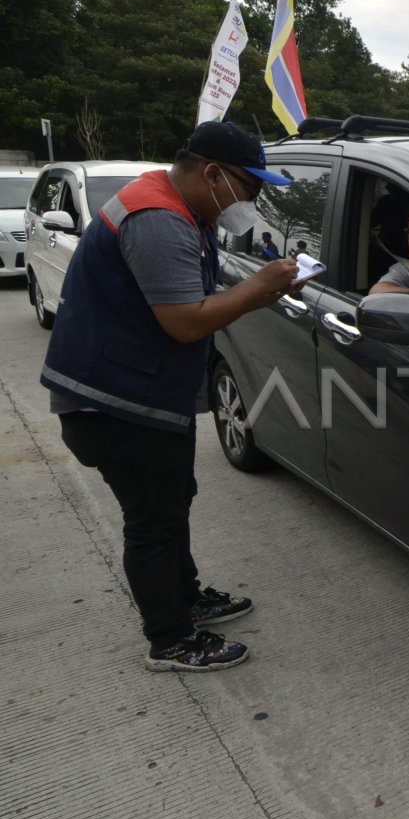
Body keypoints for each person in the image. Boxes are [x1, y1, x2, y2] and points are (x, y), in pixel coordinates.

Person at [41, 120, 300, 674]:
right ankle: (171, 639)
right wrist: (260, 290)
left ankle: (185, 597)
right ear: (212, 174)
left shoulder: (181, 207)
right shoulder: (157, 219)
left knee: (173, 498)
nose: (251, 202)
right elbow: (185, 322)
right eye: (249, 189)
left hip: (143, 395)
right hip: (116, 403)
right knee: (154, 519)